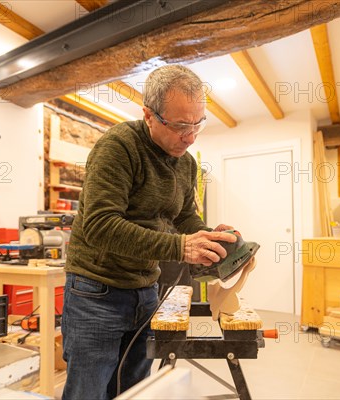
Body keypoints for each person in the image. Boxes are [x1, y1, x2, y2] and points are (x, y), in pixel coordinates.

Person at [61, 64, 237, 400]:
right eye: (181, 125)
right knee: (89, 390)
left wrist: (208, 235)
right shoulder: (119, 147)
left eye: (198, 123)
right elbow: (100, 226)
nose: (190, 136)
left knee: (134, 389)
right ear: (149, 115)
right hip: (96, 291)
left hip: (146, 290)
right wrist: (181, 248)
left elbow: (185, 216)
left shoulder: (186, 162)